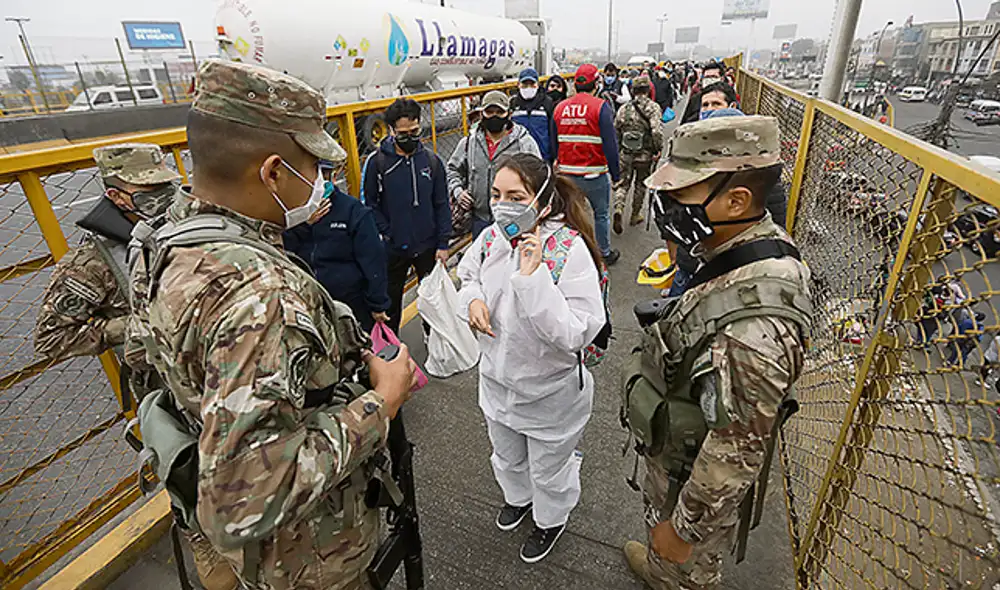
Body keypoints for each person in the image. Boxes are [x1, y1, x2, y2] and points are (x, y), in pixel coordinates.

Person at [127, 59, 419, 590]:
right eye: (313, 167)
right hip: (305, 558)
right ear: (273, 173)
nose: (321, 182)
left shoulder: (166, 242)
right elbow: (243, 498)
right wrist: (383, 401)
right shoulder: (261, 296)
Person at [622, 115, 812, 589]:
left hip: (694, 481)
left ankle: (671, 572)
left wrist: (684, 531)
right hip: (678, 451)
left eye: (679, 197)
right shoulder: (738, 250)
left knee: (687, 569)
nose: (665, 208)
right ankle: (663, 562)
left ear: (737, 200)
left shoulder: (757, 324)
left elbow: (734, 450)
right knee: (663, 538)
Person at [457, 152, 605, 564]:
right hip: (497, 382)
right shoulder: (489, 240)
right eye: (498, 194)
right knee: (505, 454)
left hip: (549, 394)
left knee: (549, 468)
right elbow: (467, 276)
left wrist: (532, 279)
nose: (503, 204)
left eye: (516, 196)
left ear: (542, 200)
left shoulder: (566, 250)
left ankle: (550, 519)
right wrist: (471, 301)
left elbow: (576, 331)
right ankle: (518, 499)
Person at [35, 143, 180, 361]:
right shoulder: (92, 263)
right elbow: (51, 339)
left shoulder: (182, 219)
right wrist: (135, 326)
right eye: (148, 192)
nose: (162, 198)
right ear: (116, 196)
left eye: (165, 188)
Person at [666, 108, 787, 298]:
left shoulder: (755, 302)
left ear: (736, 202)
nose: (669, 203)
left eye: (681, 194)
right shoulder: (728, 242)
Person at [362, 97, 452, 335]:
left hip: (427, 246)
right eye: (404, 133)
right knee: (391, 302)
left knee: (432, 300)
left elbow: (442, 204)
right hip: (393, 248)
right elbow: (370, 204)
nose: (411, 137)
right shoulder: (377, 163)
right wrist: (389, 233)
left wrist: (443, 244)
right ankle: (392, 347)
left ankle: (432, 339)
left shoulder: (432, 162)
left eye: (415, 131)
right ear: (391, 130)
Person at [283, 160, 390, 333]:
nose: (320, 181)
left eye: (325, 174)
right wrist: (303, 223)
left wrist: (378, 304)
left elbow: (373, 260)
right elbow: (283, 250)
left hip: (350, 302)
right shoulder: (293, 213)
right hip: (309, 301)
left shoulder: (353, 211)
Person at [448, 90, 541, 239]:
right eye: (489, 112)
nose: (494, 116)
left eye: (500, 112)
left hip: (513, 221)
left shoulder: (524, 143)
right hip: (480, 220)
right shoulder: (469, 143)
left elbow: (539, 178)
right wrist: (458, 191)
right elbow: (452, 170)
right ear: (481, 114)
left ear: (509, 114)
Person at [555, 63, 622, 265]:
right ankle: (603, 253)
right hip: (594, 174)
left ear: (575, 85)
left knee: (572, 216)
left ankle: (570, 253)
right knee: (601, 215)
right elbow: (611, 145)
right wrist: (616, 175)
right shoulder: (601, 107)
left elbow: (554, 142)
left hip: (566, 174)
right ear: (596, 84)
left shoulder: (560, 108)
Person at [613, 74, 663, 234]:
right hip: (644, 154)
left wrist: (620, 147)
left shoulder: (624, 108)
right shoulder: (653, 107)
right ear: (648, 90)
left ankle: (619, 208)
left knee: (623, 183)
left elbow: (616, 129)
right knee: (640, 184)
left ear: (633, 90)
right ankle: (635, 215)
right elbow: (656, 131)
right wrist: (657, 149)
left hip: (626, 153)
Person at [510, 67, 558, 163]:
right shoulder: (513, 104)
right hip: (518, 157)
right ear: (518, 85)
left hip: (543, 157)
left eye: (532, 84)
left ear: (537, 85)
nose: (528, 87)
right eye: (525, 84)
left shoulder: (547, 103)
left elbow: (553, 132)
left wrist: (555, 156)